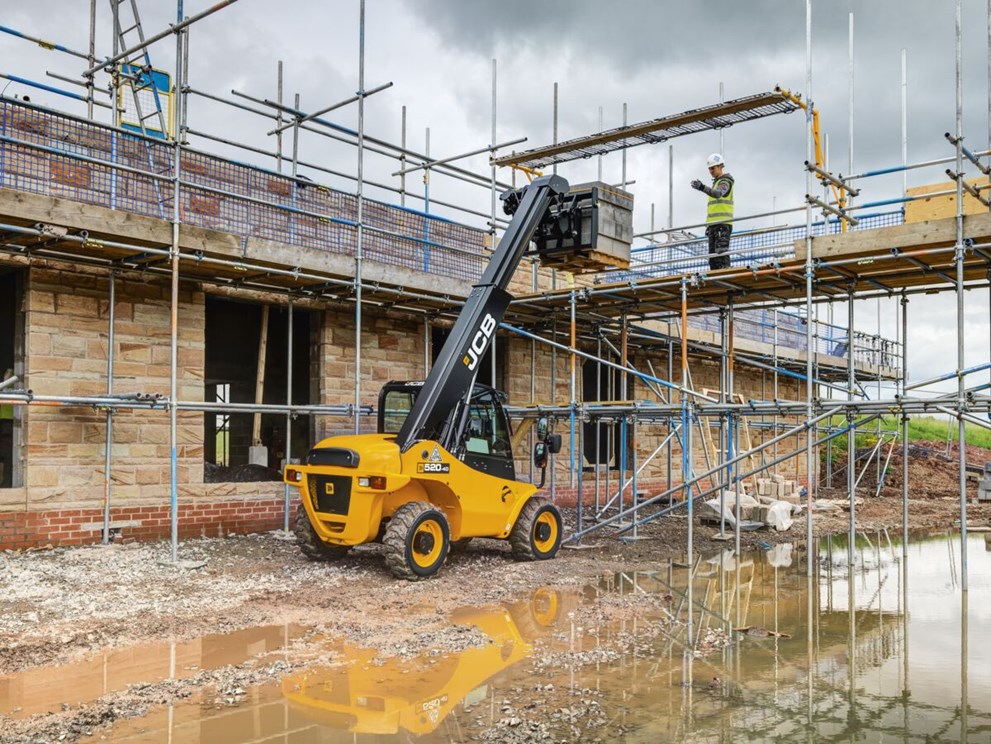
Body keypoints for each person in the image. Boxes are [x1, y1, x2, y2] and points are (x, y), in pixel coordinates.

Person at [691, 153, 734, 270]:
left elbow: (718, 193)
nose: (711, 170)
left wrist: (702, 187)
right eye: (709, 168)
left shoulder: (726, 181)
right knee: (713, 259)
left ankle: (725, 277)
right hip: (713, 225)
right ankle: (717, 280)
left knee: (721, 254)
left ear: (721, 166)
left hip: (722, 225)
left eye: (713, 168)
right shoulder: (716, 183)